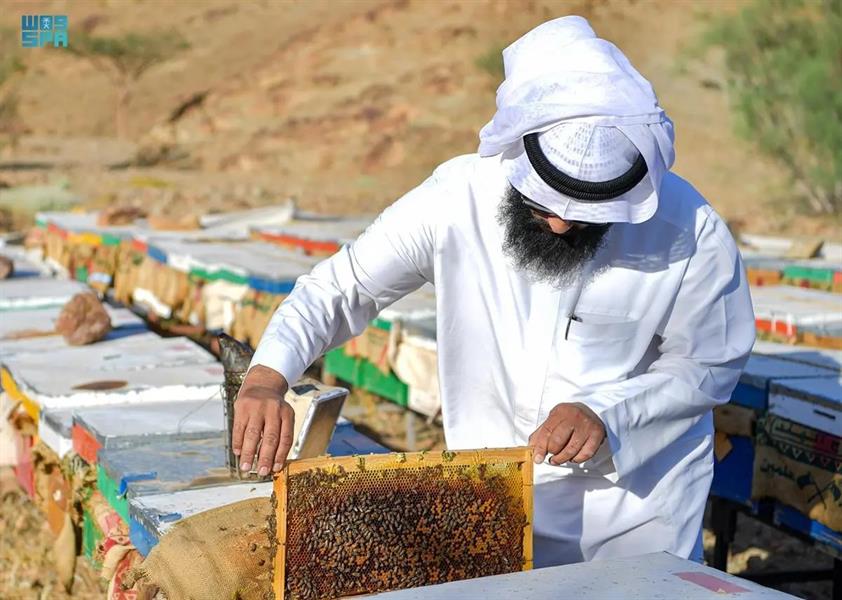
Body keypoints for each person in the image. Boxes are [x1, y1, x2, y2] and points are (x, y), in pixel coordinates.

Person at [232, 15, 755, 566]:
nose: (558, 228)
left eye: (585, 219)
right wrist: (268, 378)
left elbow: (706, 364)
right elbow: (342, 288)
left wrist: (607, 413)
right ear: (515, 160)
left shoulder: (688, 228)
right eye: (543, 208)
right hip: (488, 505)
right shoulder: (454, 198)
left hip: (632, 519)